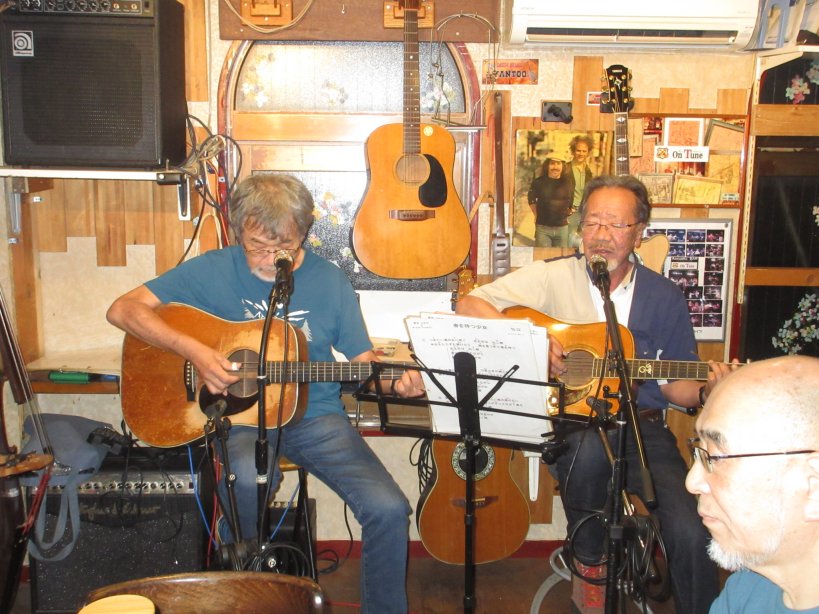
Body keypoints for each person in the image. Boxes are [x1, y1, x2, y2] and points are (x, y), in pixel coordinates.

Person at [106, 174, 412, 614]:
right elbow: (123, 309)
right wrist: (196, 352)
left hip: (316, 417)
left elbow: (364, 363)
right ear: (238, 232)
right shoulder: (212, 270)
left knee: (389, 508)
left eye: (283, 246)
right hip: (240, 422)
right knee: (245, 483)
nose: (270, 259)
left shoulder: (330, 282)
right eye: (256, 246)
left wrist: (395, 382)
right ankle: (240, 595)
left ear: (303, 232)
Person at [439, 174, 736, 613]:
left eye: (615, 224)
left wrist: (710, 390)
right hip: (573, 423)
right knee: (590, 454)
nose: (601, 234)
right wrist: (528, 339)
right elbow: (470, 303)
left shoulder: (664, 296)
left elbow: (677, 387)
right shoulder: (552, 276)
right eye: (593, 222)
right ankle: (591, 564)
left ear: (638, 232)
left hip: (643, 429)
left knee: (690, 527)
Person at [686, 355, 819, 613]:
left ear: (813, 487)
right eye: (699, 452)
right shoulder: (747, 586)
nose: (692, 482)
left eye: (716, 457)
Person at [527, 152, 573, 247]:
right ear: (547, 165)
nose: (555, 167)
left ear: (563, 166)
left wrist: (568, 214)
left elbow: (570, 200)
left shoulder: (568, 182)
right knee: (543, 256)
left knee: (562, 256)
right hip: (543, 229)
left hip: (562, 229)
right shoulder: (538, 182)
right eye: (552, 163)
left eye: (558, 164)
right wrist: (536, 214)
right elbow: (531, 199)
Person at [566, 134, 595, 246]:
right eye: (578, 150)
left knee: (582, 245)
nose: (581, 154)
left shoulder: (588, 171)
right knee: (568, 244)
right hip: (570, 212)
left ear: (588, 152)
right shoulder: (566, 168)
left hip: (584, 212)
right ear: (573, 151)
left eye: (584, 151)